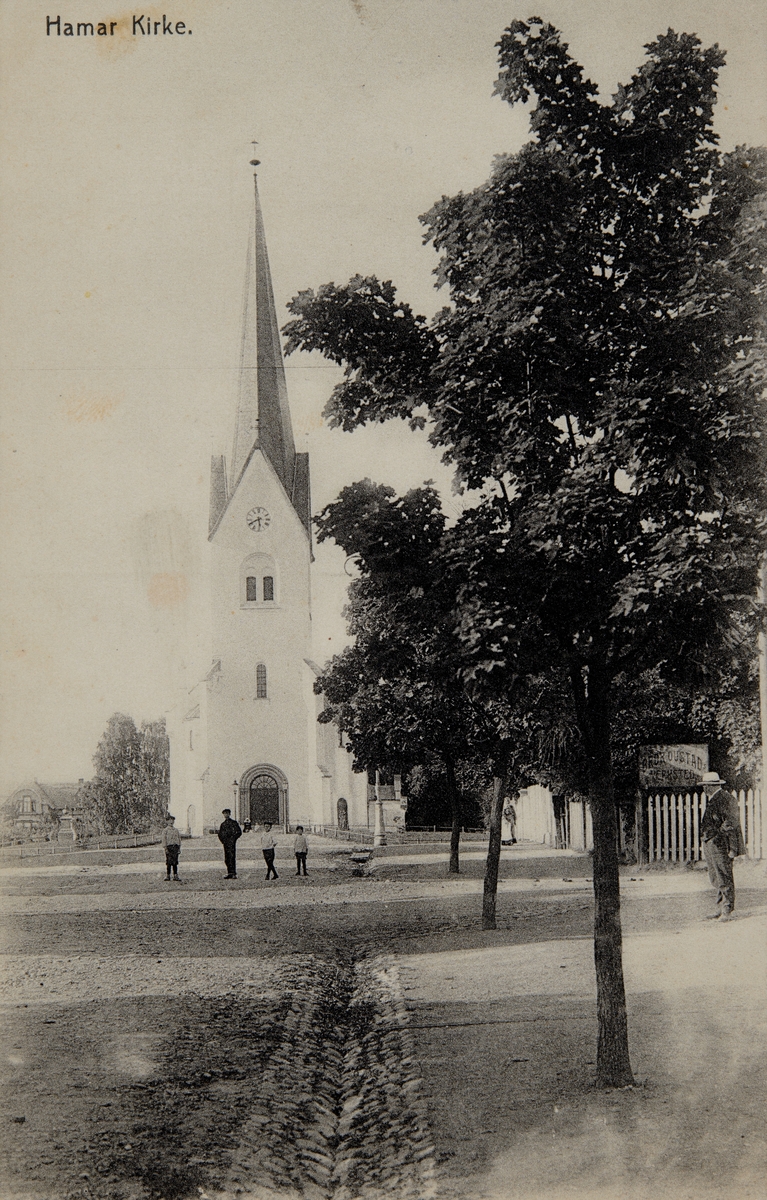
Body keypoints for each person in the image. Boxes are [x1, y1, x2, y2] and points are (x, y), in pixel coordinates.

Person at [700, 771, 745, 922]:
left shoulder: (726, 799)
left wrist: (718, 837)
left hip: (721, 843)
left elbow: (731, 823)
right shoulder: (714, 799)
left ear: (711, 786)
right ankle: (720, 907)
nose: (704, 789)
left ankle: (727, 908)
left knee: (724, 875)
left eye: (706, 786)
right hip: (711, 843)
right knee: (715, 875)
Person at [218, 808, 242, 879]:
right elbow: (220, 834)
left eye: (227, 813)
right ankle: (229, 873)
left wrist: (233, 839)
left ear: (229, 814)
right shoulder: (223, 824)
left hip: (232, 843)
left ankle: (233, 873)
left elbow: (239, 832)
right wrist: (223, 841)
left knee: (232, 857)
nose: (226, 815)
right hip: (226, 843)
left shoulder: (234, 823)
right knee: (227, 858)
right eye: (224, 813)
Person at [162, 814, 181, 881]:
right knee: (169, 862)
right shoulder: (165, 830)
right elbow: (164, 840)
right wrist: (165, 848)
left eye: (172, 820)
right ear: (167, 821)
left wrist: (179, 848)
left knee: (175, 862)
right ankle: (168, 875)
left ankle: (175, 875)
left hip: (175, 847)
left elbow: (178, 839)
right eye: (169, 820)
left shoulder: (176, 830)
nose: (171, 822)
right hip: (169, 847)